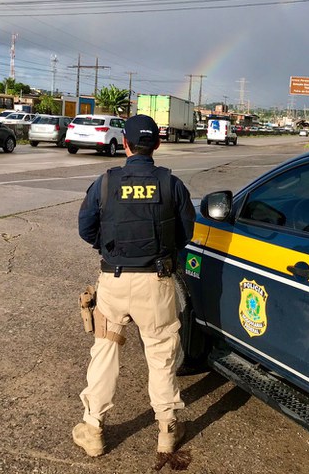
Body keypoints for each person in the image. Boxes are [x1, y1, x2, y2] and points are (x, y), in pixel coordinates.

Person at [73, 114, 195, 457]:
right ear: (156, 144)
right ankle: (168, 428)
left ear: (124, 144)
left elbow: (86, 228)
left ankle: (93, 429)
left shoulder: (107, 182)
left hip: (113, 282)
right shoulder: (171, 184)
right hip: (156, 283)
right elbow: (187, 232)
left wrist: (111, 250)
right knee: (160, 354)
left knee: (106, 350)